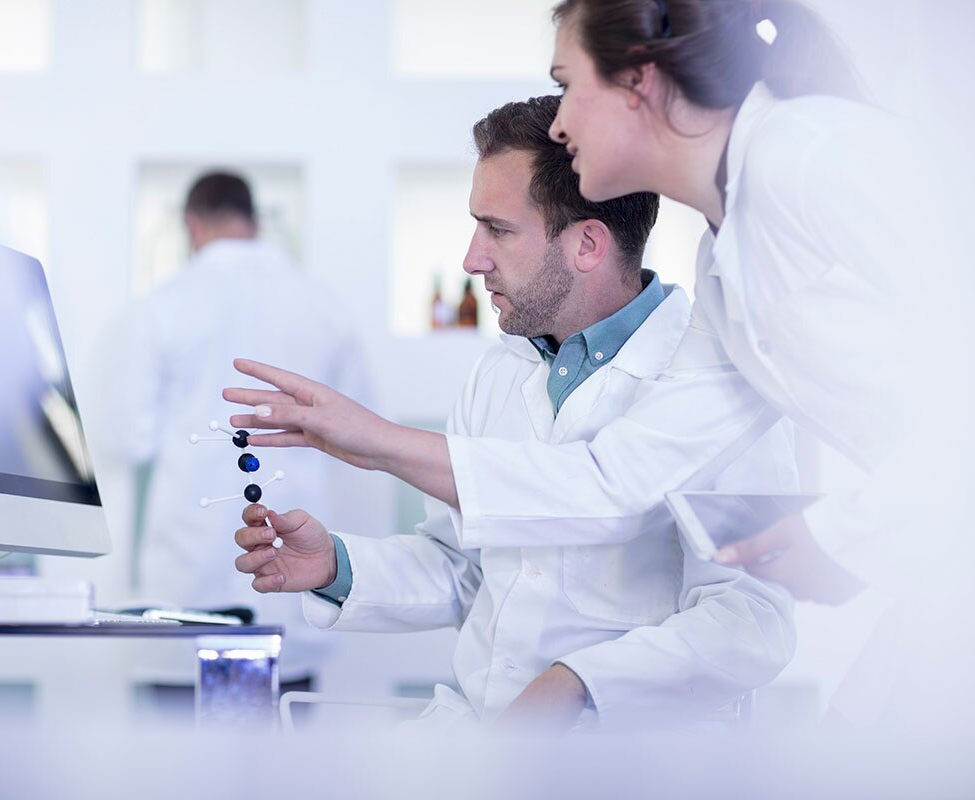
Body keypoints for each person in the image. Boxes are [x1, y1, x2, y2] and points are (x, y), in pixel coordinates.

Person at [225, 1, 969, 724]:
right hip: (932, 574)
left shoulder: (813, 155)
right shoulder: (724, 264)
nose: (560, 120)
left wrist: (845, 533)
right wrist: (344, 552)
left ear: (637, 79)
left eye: (566, 82)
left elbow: (954, 382)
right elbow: (611, 485)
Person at [231, 96, 798, 730]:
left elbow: (749, 620)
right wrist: (337, 566)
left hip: (627, 758)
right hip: (476, 737)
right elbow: (466, 567)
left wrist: (583, 680)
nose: (471, 259)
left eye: (497, 229)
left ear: (587, 243)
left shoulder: (716, 376)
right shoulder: (502, 370)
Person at [94, 170, 372, 692]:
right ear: (253, 221)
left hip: (189, 581)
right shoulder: (324, 307)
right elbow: (361, 434)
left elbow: (127, 437)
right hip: (292, 576)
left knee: (180, 767)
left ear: (191, 225)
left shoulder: (163, 306)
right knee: (280, 763)